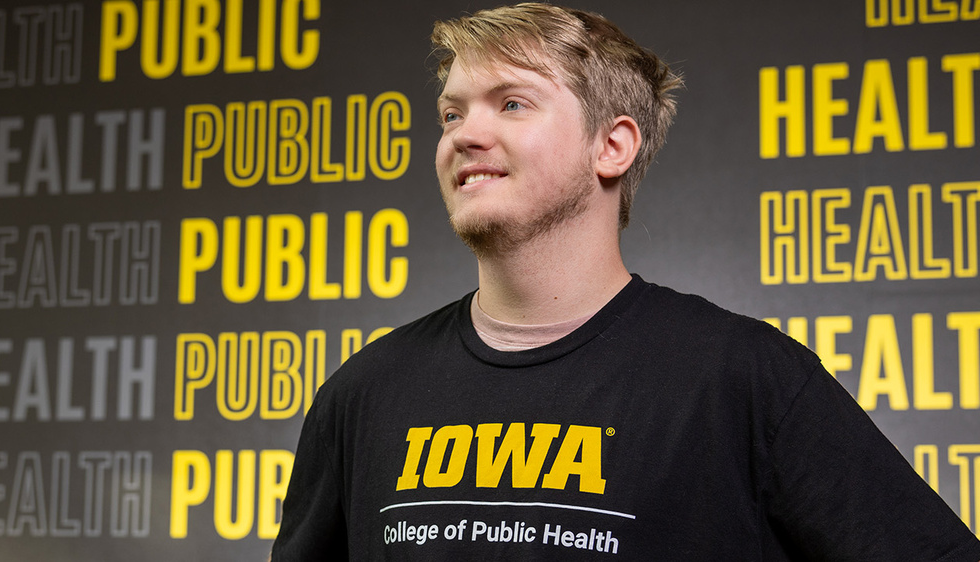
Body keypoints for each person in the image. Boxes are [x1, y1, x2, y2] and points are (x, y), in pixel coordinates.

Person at [270, 3, 980, 560]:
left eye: (511, 103)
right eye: (452, 112)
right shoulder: (362, 394)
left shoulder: (746, 380)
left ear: (612, 145)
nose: (463, 133)